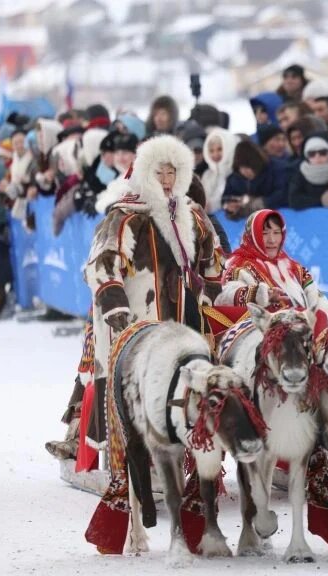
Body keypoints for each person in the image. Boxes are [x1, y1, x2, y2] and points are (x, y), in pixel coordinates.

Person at [80, 134, 224, 462]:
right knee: (136, 386)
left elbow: (213, 260)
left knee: (182, 380)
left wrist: (216, 294)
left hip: (184, 315)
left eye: (172, 172)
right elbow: (101, 263)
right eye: (159, 172)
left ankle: (185, 452)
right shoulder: (126, 215)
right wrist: (114, 302)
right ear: (145, 173)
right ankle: (129, 461)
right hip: (138, 317)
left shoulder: (192, 214)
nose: (166, 180)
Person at [215, 209, 328, 328]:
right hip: (263, 338)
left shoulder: (292, 267)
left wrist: (326, 321)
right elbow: (223, 298)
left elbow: (316, 298)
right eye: (264, 233)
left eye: (276, 232)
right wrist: (258, 294)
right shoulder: (237, 265)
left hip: (303, 336)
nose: (272, 240)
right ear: (253, 235)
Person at [287, 133, 328, 210]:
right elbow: (294, 200)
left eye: (322, 152)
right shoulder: (300, 174)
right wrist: (324, 201)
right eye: (311, 154)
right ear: (306, 156)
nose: (317, 157)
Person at [200, 128, 239, 213]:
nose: (215, 154)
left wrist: (211, 206)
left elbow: (227, 197)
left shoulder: (234, 171)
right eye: (211, 151)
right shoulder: (207, 175)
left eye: (219, 149)